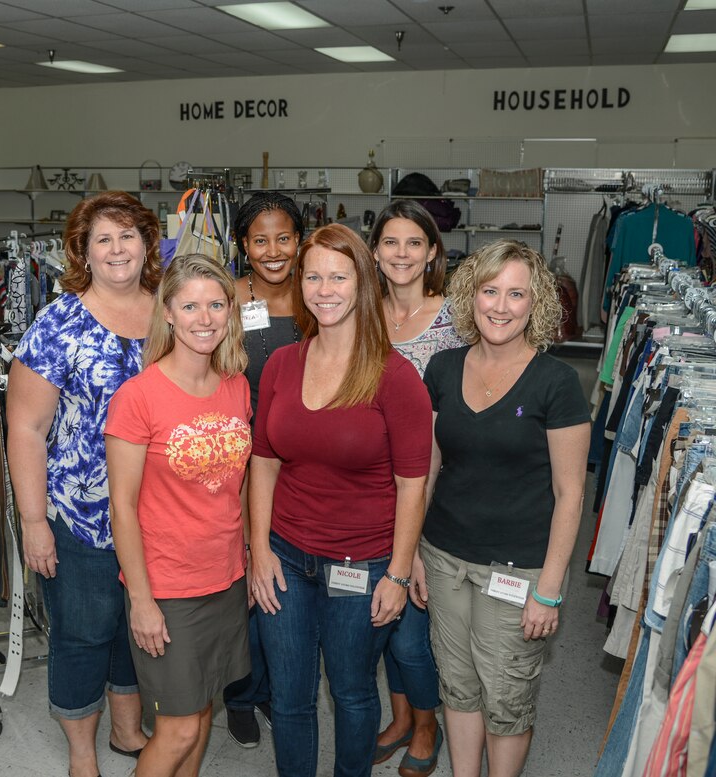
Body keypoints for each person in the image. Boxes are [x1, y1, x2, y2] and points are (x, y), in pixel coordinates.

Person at [249, 223, 433, 777]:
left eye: (339, 276)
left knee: (353, 693)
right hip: (284, 557)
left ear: (363, 283)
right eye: (314, 276)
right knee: (289, 697)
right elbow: (263, 461)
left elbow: (412, 484)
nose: (325, 289)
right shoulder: (283, 364)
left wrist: (398, 574)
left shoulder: (395, 376)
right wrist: (257, 548)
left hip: (363, 563)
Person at [418, 239, 590, 777]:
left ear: (534, 304)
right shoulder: (442, 369)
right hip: (443, 556)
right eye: (490, 290)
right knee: (458, 684)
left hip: (516, 569)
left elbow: (571, 495)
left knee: (507, 698)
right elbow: (427, 469)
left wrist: (550, 589)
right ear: (471, 296)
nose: (500, 305)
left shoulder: (557, 383)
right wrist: (413, 553)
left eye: (516, 294)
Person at [6, 191, 158, 777]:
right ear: (84, 252)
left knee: (132, 627)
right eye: (104, 239)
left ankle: (126, 730)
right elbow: (26, 426)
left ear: (147, 245)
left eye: (128, 235)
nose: (118, 249)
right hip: (81, 516)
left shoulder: (169, 311)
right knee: (83, 633)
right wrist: (34, 520)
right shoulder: (59, 321)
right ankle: (80, 754)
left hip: (156, 514)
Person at [106, 253, 252, 777]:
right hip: (168, 587)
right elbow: (121, 507)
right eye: (190, 305)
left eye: (216, 304)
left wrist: (249, 558)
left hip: (226, 577)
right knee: (179, 726)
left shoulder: (236, 384)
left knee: (204, 705)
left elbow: (238, 485)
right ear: (167, 312)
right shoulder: (138, 397)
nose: (205, 317)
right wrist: (142, 600)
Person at [367, 200, 464, 775]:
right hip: (371, 488)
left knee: (412, 630)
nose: (401, 254)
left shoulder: (457, 318)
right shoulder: (360, 312)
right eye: (390, 243)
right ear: (375, 251)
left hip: (434, 487)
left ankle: (427, 726)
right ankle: (401, 718)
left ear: (432, 252)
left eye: (413, 244)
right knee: (382, 616)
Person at [225, 191, 305, 748]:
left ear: (300, 240)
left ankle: (281, 689)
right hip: (239, 460)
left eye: (284, 238)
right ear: (243, 246)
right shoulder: (230, 298)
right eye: (260, 239)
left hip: (303, 462)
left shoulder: (320, 292)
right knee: (241, 582)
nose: (272, 251)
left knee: (287, 580)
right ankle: (239, 693)